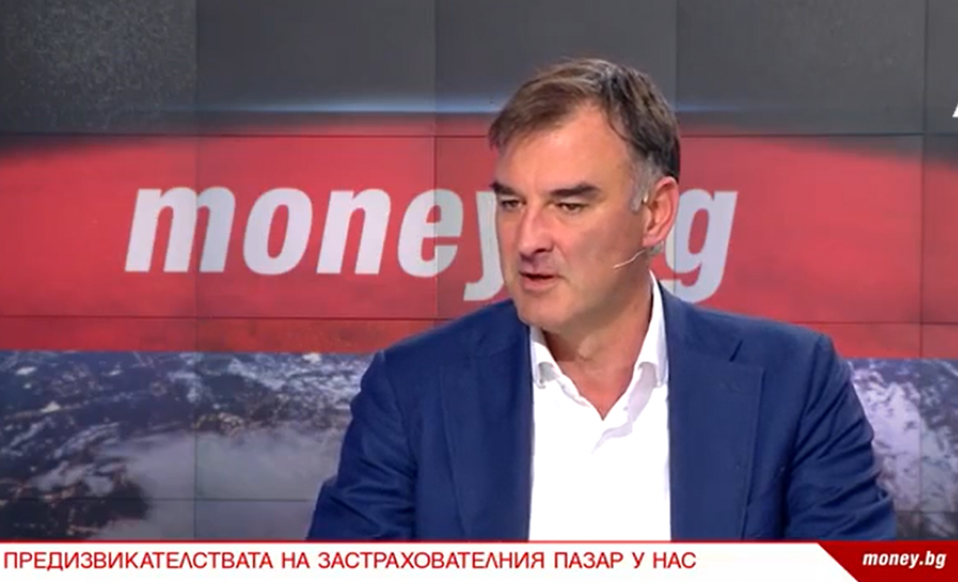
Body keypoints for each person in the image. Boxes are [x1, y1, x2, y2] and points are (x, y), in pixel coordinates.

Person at [307, 57, 897, 541]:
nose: (528, 240)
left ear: (655, 213)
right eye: (511, 203)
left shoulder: (793, 382)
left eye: (569, 205)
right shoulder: (412, 389)